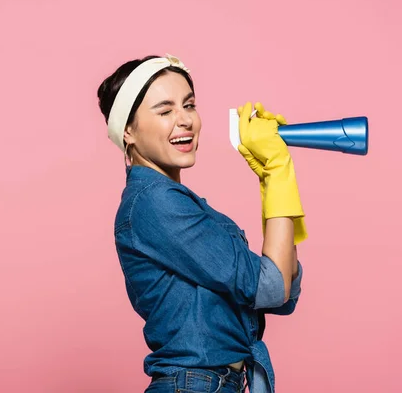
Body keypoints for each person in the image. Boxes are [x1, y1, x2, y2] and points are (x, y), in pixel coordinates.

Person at [96, 53, 308, 393]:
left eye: (189, 105)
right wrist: (278, 170)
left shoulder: (179, 204)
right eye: (165, 111)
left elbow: (281, 295)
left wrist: (272, 182)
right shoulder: (154, 203)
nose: (185, 121)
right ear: (128, 131)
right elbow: (272, 287)